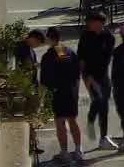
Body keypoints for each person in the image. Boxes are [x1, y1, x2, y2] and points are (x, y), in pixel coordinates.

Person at [40, 28, 85, 164]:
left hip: (57, 92)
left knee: (60, 122)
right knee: (72, 120)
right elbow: (78, 74)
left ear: (49, 39)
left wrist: (41, 100)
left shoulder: (48, 56)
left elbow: (44, 82)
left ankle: (64, 152)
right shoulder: (70, 52)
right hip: (71, 92)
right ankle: (78, 150)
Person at [77, 11, 117, 152]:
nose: (90, 25)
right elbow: (81, 58)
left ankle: (103, 137)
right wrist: (86, 77)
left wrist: (99, 78)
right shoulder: (85, 37)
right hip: (89, 75)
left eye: (99, 24)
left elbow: (106, 60)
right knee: (99, 101)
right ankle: (91, 122)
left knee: (104, 105)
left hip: (103, 75)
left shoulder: (109, 37)